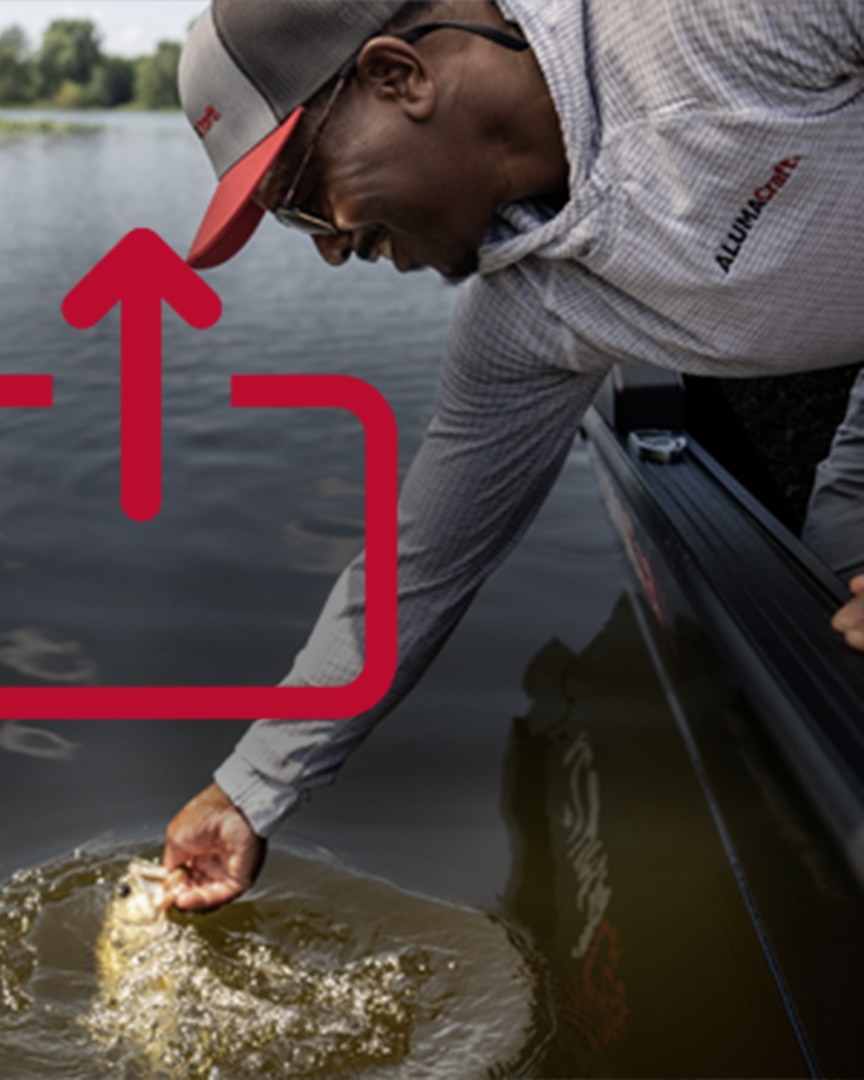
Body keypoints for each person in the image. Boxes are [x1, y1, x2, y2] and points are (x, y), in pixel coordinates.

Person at [162, 0, 864, 912]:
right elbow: (424, 563)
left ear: (396, 77)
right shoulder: (527, 318)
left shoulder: (704, 16)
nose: (333, 249)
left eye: (302, 198)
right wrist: (248, 793)